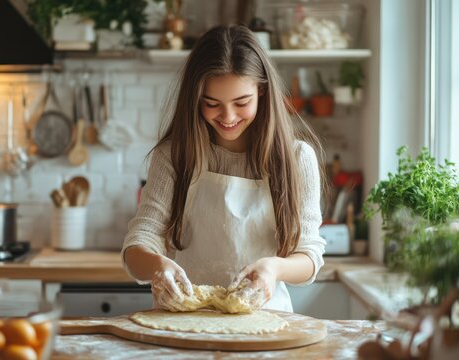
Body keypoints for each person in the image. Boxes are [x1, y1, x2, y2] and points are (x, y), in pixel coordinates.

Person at [122, 25, 327, 312]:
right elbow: (139, 240)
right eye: (212, 103)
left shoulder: (296, 159)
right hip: (187, 323)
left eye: (242, 102)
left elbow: (309, 255)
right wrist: (157, 265)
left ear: (262, 92)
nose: (228, 117)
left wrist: (274, 269)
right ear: (195, 100)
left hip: (266, 322)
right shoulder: (175, 156)